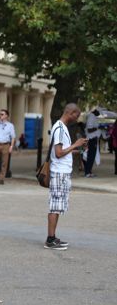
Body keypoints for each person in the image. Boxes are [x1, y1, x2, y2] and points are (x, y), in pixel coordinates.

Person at [45, 103, 87, 250]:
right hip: (59, 172)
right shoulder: (60, 128)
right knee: (55, 206)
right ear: (71, 112)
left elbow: (61, 151)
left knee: (57, 206)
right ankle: (50, 239)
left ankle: (53, 237)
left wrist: (77, 149)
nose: (78, 117)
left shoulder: (60, 127)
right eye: (77, 114)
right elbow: (58, 153)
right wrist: (75, 144)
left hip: (61, 171)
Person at [84, 107, 117, 177]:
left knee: (92, 156)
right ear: (96, 111)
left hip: (95, 139)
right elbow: (89, 129)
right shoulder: (91, 116)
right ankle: (87, 172)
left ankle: (89, 172)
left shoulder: (97, 117)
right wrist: (99, 127)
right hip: (91, 139)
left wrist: (106, 130)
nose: (99, 115)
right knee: (90, 156)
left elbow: (103, 134)